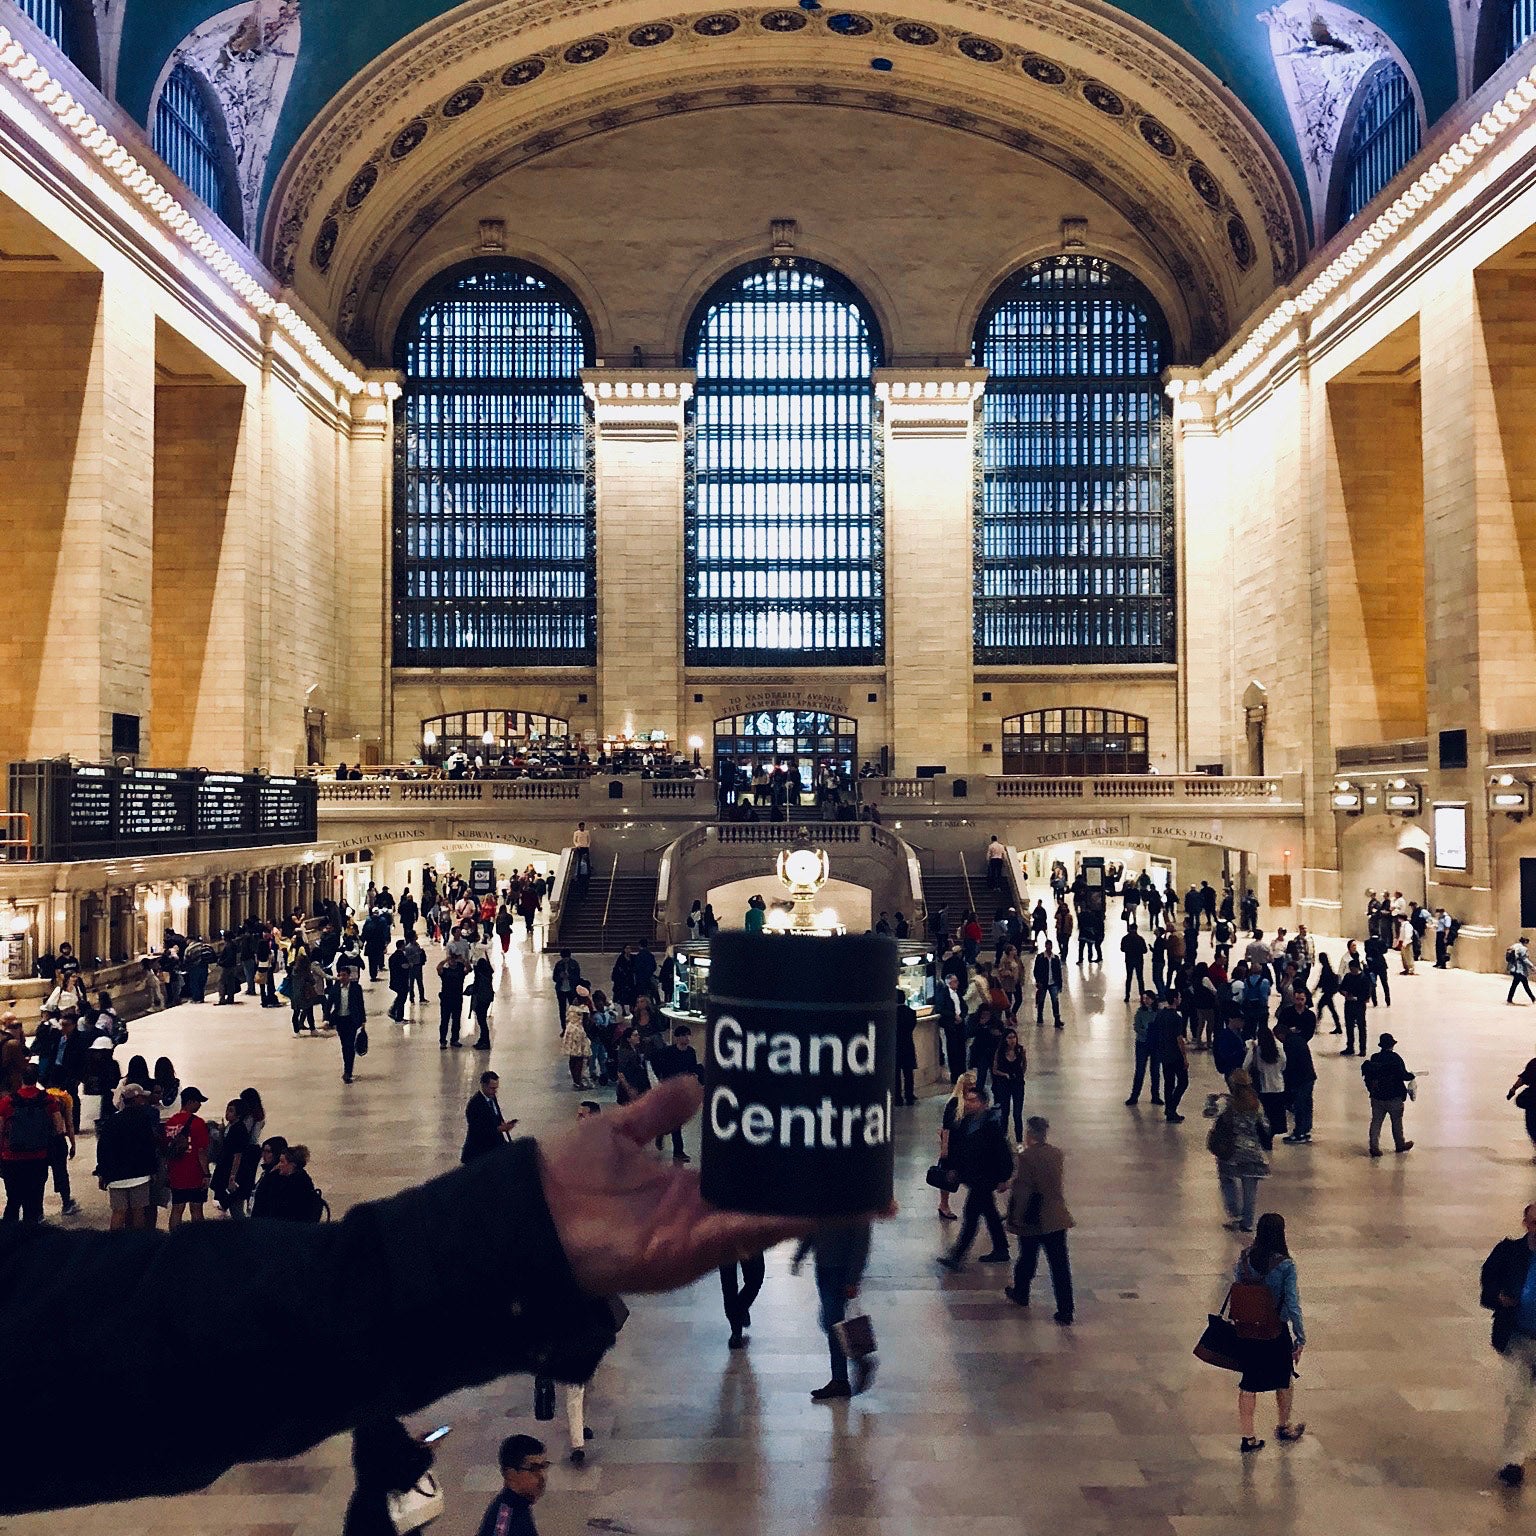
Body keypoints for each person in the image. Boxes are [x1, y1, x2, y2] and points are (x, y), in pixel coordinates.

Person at [1230, 1213, 1306, 1454]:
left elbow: (1238, 1286)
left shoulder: (1244, 1258)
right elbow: (1292, 1303)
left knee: (1248, 1383)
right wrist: (1300, 1336)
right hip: (1275, 1331)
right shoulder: (1286, 1265)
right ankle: (1283, 1426)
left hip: (1247, 1330)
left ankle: (1248, 1437)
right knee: (1284, 1379)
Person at [1481, 1202, 1536, 1486]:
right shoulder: (1509, 1252)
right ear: (1526, 1223)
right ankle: (1513, 1459)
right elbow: (1487, 1286)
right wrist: (1500, 1298)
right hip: (1519, 1337)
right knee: (1518, 1398)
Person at [793, 1222, 874, 1401]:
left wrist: (853, 1278)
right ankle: (851, 1368)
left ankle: (843, 1376)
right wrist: (800, 1254)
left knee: (832, 1323)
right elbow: (813, 1226)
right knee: (828, 1322)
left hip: (841, 1271)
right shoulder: (824, 1204)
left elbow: (861, 1242)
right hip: (823, 1268)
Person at [1004, 1114, 1073, 1323]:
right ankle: (1066, 1309)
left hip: (1033, 1218)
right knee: (1060, 1265)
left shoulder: (1026, 1157)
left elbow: (1023, 1191)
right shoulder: (1056, 1153)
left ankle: (1021, 1292)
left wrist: (1015, 1218)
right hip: (1057, 1217)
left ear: (1029, 1134)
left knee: (1027, 1258)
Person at [936, 1084, 1012, 1271]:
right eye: (967, 1100)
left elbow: (1003, 1153)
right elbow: (962, 1149)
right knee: (990, 1213)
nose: (969, 1104)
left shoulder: (991, 1126)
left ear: (984, 1103)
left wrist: (1003, 1177)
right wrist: (954, 1168)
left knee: (971, 1216)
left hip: (984, 1178)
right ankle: (1001, 1248)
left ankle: (957, 1255)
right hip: (974, 1177)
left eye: (973, 1100)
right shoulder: (967, 1122)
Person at [343, 1416, 438, 1536]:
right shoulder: (385, 1425)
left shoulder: (366, 1425)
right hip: (385, 1515)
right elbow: (402, 1478)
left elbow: (388, 1456)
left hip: (367, 1511)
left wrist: (414, 1445)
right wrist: (427, 1453)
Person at [0, 1066, 64, 1224]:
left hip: (11, 1158)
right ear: (37, 1078)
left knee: (13, 1200)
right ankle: (31, 1233)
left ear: (21, 1078)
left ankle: (9, 1233)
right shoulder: (48, 1100)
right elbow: (58, 1128)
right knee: (34, 1202)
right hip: (38, 1157)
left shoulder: (7, 1102)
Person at [1209, 1070, 1270, 1234]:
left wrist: (1212, 1100)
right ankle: (1247, 1222)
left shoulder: (1227, 1104)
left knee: (1227, 1179)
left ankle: (1235, 1213)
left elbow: (1209, 1113)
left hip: (1232, 1152)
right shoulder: (1256, 1104)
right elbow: (1265, 1127)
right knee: (1250, 1189)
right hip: (1253, 1152)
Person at [94, 1081, 160, 1230]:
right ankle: (136, 1241)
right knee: (138, 1211)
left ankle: (114, 1241)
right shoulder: (144, 1120)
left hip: (116, 1176)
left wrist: (102, 1172)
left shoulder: (111, 1121)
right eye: (142, 1097)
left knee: (118, 1212)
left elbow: (103, 1149)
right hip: (140, 1174)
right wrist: (153, 1169)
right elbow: (149, 1147)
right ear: (136, 1099)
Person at [476, 1434, 549, 1536]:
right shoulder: (505, 1519)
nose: (542, 1476)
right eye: (533, 1469)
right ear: (510, 1475)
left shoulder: (519, 1505)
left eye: (543, 1466)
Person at [650, 1025, 702, 1161]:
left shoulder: (690, 1052)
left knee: (676, 1119)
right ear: (677, 1038)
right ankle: (678, 1150)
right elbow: (656, 1062)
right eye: (684, 1035)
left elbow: (692, 1068)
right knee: (675, 1120)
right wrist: (662, 1078)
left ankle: (663, 1133)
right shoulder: (669, 1052)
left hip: (683, 1089)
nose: (687, 1038)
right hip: (670, 1089)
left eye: (688, 1035)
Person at [163, 1087, 212, 1229]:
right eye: (198, 1101)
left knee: (177, 1209)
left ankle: (173, 1237)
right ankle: (197, 1238)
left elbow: (166, 1148)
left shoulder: (170, 1122)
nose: (200, 1105)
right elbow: (201, 1152)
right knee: (196, 1209)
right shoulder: (198, 1123)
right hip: (195, 1173)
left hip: (176, 1173)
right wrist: (206, 1174)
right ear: (190, 1102)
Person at [1362, 1032, 1415, 1156]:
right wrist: (1412, 1076)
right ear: (1392, 1045)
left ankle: (1374, 1146)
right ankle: (1400, 1144)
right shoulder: (1395, 1058)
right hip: (1394, 1097)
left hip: (1377, 1096)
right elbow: (1403, 1075)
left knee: (1376, 1121)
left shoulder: (1375, 1058)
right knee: (1396, 1122)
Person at [250, 1143, 320, 1222]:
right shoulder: (283, 1178)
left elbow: (279, 1207)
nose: (279, 1165)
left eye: (282, 1162)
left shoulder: (298, 1182)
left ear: (292, 1165)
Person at [212, 1098, 255, 1218]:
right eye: (227, 1110)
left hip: (234, 1171)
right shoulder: (230, 1126)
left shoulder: (239, 1129)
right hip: (227, 1167)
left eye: (231, 1111)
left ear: (239, 1114)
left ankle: (241, 1227)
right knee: (232, 1204)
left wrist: (232, 1176)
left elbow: (238, 1155)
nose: (227, 1113)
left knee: (235, 1206)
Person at [1244, 1019, 1288, 1136]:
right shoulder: (1279, 1047)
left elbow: (1245, 1066)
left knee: (1263, 1116)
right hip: (1278, 1086)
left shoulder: (1256, 1048)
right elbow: (1284, 1064)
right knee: (1276, 1116)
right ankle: (1272, 1134)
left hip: (1262, 1087)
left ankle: (1265, 1136)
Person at [327, 960, 368, 1084]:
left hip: (351, 1020)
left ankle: (348, 1071)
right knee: (345, 1045)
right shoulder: (335, 988)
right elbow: (329, 1004)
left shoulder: (356, 988)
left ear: (349, 976)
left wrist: (363, 1020)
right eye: (341, 975)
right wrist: (327, 1018)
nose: (342, 977)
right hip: (340, 1020)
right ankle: (347, 1068)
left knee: (349, 1045)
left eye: (345, 975)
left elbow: (360, 1004)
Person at [463, 1071, 518, 1164]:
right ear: (484, 1085)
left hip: (493, 1148)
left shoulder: (491, 1097)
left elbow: (495, 1117)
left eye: (496, 1088)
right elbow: (478, 1131)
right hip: (479, 1153)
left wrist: (503, 1125)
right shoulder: (474, 1105)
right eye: (492, 1088)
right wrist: (499, 1129)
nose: (495, 1091)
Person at [1151, 994, 1190, 1122]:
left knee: (1169, 1083)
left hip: (1164, 1053)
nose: (1180, 999)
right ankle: (1171, 1108)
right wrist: (1184, 1057)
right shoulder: (1176, 1018)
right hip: (1175, 1054)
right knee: (1183, 1082)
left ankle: (1169, 1110)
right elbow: (1179, 1039)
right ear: (1175, 999)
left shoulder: (1160, 1014)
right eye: (1179, 997)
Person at [1127, 991, 1163, 1107]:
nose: (1145, 1001)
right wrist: (1148, 1032)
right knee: (1140, 1070)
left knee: (1155, 1071)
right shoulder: (1140, 1012)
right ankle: (1134, 1096)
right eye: (1144, 999)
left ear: (1153, 999)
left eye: (1147, 998)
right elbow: (1137, 1027)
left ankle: (1155, 1095)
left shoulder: (1159, 1013)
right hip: (1142, 1043)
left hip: (1155, 1044)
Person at [991, 1027, 1027, 1143]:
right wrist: (1005, 1075)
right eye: (1009, 1038)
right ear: (1005, 1039)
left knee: (1017, 1114)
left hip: (1018, 1084)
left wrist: (1019, 1075)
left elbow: (1024, 1065)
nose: (1012, 1040)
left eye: (1014, 1037)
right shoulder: (1000, 1052)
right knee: (1004, 1112)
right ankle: (1003, 1139)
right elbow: (994, 1070)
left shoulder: (1020, 1050)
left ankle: (1019, 1141)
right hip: (1004, 1084)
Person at [1339, 957, 1370, 1056]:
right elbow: (1341, 988)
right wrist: (1344, 993)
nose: (1352, 971)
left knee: (1361, 1027)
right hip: (1349, 1004)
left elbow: (1366, 995)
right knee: (1349, 1026)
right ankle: (1350, 1047)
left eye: (1353, 969)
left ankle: (1362, 1048)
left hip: (1359, 1005)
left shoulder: (1364, 979)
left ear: (1357, 968)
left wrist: (1355, 998)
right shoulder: (1348, 976)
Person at [437, 953, 467, 1050]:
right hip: (446, 998)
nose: (452, 962)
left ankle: (454, 1039)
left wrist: (463, 960)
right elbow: (438, 968)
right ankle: (443, 1041)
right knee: (444, 1020)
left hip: (457, 998)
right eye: (451, 960)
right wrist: (445, 960)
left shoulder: (460, 970)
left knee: (456, 1020)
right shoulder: (445, 971)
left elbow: (469, 969)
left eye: (454, 960)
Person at [1032, 941, 1064, 1027]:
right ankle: (1040, 1016)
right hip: (1043, 983)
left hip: (1053, 983)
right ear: (1045, 946)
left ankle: (1057, 1019)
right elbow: (1036, 970)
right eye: (1047, 945)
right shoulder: (1040, 957)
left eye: (1050, 945)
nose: (1049, 947)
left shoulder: (1055, 958)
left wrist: (1060, 985)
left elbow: (1059, 972)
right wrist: (1038, 981)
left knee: (1055, 1001)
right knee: (1041, 1000)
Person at [896, 989, 918, 1107]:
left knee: (896, 1073)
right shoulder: (911, 1012)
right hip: (908, 1045)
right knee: (908, 1072)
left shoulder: (891, 1015)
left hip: (895, 1047)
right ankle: (909, 1096)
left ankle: (898, 1098)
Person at [1121, 924, 1147, 1001]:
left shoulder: (1125, 938)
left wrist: (1129, 950)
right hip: (1139, 960)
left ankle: (1127, 996)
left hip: (1129, 960)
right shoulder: (1140, 939)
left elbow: (1122, 949)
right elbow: (1145, 950)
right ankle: (1142, 996)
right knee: (1140, 978)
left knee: (1129, 978)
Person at [1511, 938, 1536, 1004]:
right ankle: (1533, 998)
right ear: (1525, 942)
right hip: (1520, 970)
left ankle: (1509, 999)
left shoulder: (1515, 946)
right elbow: (1525, 959)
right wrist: (1532, 966)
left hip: (1514, 968)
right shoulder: (1523, 948)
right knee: (1525, 985)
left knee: (1515, 985)